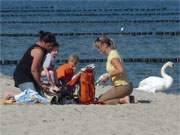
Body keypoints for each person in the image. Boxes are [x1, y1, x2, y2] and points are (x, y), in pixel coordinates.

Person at [13, 31, 58, 96]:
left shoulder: (44, 50)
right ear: (43, 42)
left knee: (41, 98)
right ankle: (11, 95)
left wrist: (41, 83)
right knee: (33, 97)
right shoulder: (38, 51)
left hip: (32, 76)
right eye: (49, 45)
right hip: (23, 76)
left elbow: (39, 68)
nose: (50, 48)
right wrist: (41, 85)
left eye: (52, 45)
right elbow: (34, 70)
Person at [94, 35, 134, 104]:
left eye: (99, 47)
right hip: (126, 86)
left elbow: (120, 70)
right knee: (101, 97)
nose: (98, 50)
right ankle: (129, 98)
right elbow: (117, 71)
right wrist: (108, 77)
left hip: (123, 87)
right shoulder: (113, 53)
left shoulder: (112, 56)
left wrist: (108, 75)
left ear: (104, 45)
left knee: (100, 101)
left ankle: (123, 99)